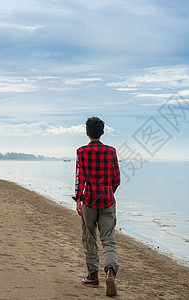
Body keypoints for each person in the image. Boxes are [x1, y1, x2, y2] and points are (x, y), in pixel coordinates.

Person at [73, 116, 121, 297]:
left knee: (89, 237)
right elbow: (117, 178)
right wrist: (109, 191)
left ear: (87, 133)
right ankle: (110, 272)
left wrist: (78, 199)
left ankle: (93, 276)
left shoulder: (81, 151)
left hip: (89, 201)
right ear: (102, 132)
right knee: (109, 240)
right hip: (108, 201)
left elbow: (80, 177)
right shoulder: (111, 151)